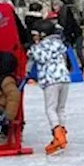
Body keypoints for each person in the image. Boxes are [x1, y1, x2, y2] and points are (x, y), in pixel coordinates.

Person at [26, 19, 71, 155]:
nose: (34, 38)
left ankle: (58, 136)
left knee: (50, 109)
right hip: (64, 78)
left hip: (51, 80)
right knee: (60, 108)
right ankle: (61, 133)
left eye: (35, 35)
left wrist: (30, 51)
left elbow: (39, 57)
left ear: (43, 34)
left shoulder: (40, 47)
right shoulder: (58, 43)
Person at [55, 1, 84, 79]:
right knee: (68, 52)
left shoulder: (65, 14)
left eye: (55, 6)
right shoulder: (61, 14)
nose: (54, 8)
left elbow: (69, 26)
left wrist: (69, 36)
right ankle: (70, 67)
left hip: (76, 35)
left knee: (78, 51)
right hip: (70, 35)